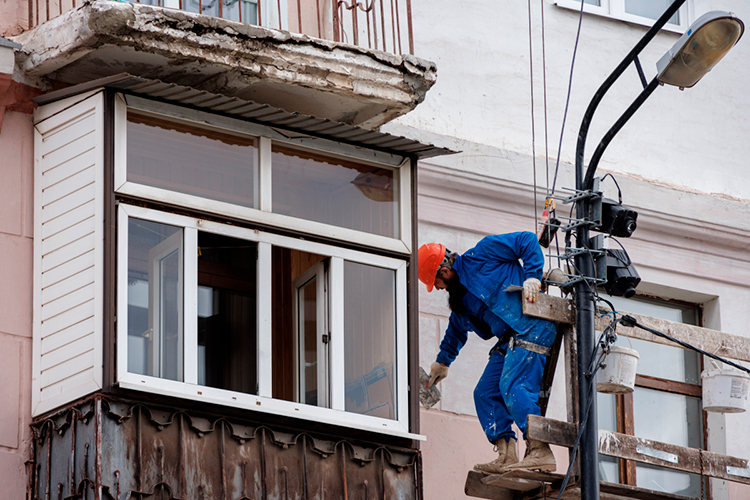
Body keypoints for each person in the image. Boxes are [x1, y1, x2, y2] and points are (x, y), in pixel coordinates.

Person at [420, 232, 557, 474]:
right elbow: (455, 331)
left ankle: (540, 451)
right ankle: (507, 454)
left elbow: (526, 240)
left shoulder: (483, 253)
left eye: (437, 284)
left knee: (512, 386)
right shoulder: (461, 301)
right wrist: (442, 362)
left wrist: (532, 277)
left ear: (443, 271)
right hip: (510, 340)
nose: (439, 289)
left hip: (532, 325)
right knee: (485, 393)